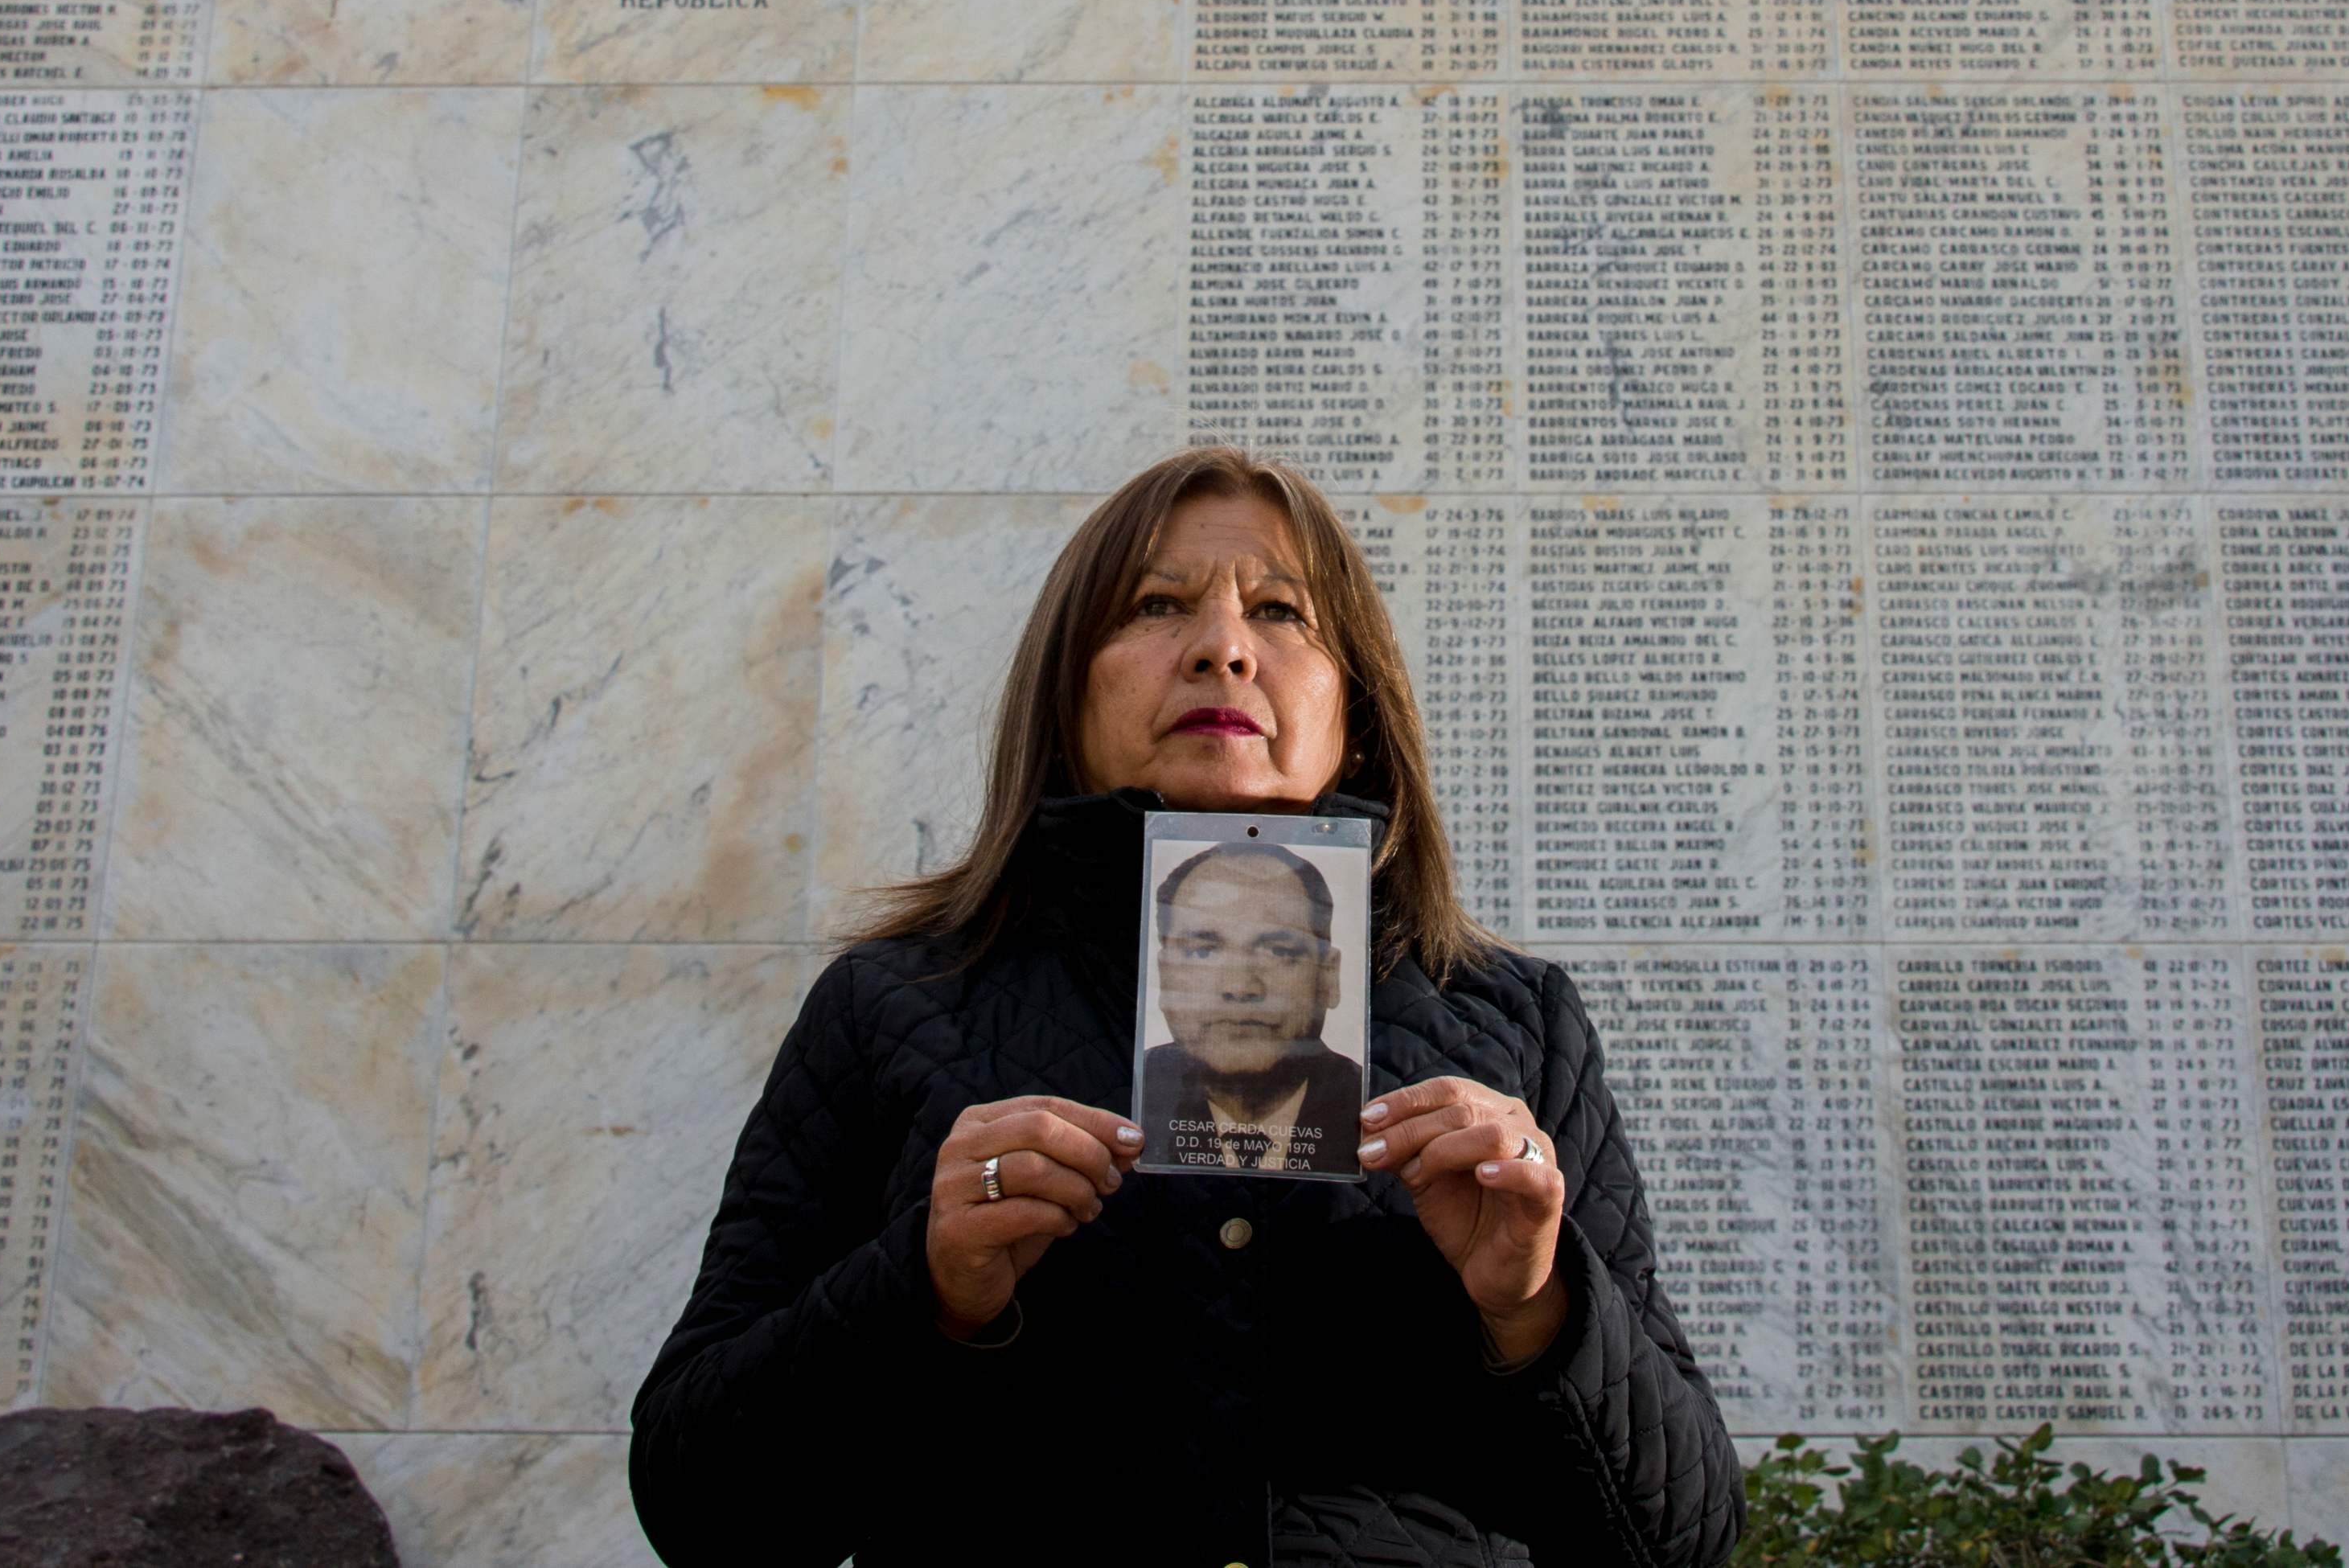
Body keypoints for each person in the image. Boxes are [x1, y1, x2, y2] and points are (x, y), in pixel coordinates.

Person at [630, 446, 1741, 1568]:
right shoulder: (894, 1002)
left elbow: (1680, 1538)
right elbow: (700, 1507)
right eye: (1157, 605)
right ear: (1068, 689)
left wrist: (1539, 1306)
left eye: (1279, 610)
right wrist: (926, 1288)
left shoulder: (1509, 1019)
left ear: (1353, 705)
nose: (1221, 647)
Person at [1138, 841, 1365, 1175]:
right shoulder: (1112, 1100)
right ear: (1164, 974)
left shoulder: (1381, 1107)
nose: (1240, 987)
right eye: (1203, 952)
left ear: (1328, 977)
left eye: (1278, 951)